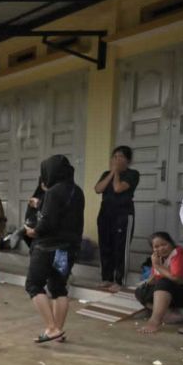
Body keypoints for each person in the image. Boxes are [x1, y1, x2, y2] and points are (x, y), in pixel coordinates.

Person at [24, 155, 85, 343]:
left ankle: (51, 328)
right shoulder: (77, 191)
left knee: (34, 285)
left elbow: (48, 221)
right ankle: (58, 329)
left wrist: (33, 231)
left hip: (47, 247)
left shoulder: (53, 192)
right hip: (68, 249)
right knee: (59, 288)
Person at [94, 146, 139, 292]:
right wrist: (112, 172)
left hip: (123, 215)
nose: (117, 159)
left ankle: (120, 281)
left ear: (128, 160)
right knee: (105, 245)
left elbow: (118, 188)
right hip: (105, 214)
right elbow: (98, 189)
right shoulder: (106, 173)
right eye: (115, 156)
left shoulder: (132, 174)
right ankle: (106, 278)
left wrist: (117, 173)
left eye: (120, 156)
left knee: (120, 248)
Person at [134, 232, 183, 334]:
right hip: (172, 293)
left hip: (182, 289)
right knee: (141, 291)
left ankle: (154, 321)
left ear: (171, 243)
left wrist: (157, 266)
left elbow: (176, 278)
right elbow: (154, 279)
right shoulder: (158, 258)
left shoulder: (178, 253)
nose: (161, 248)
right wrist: (146, 284)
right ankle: (168, 314)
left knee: (164, 282)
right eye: (156, 246)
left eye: (164, 244)